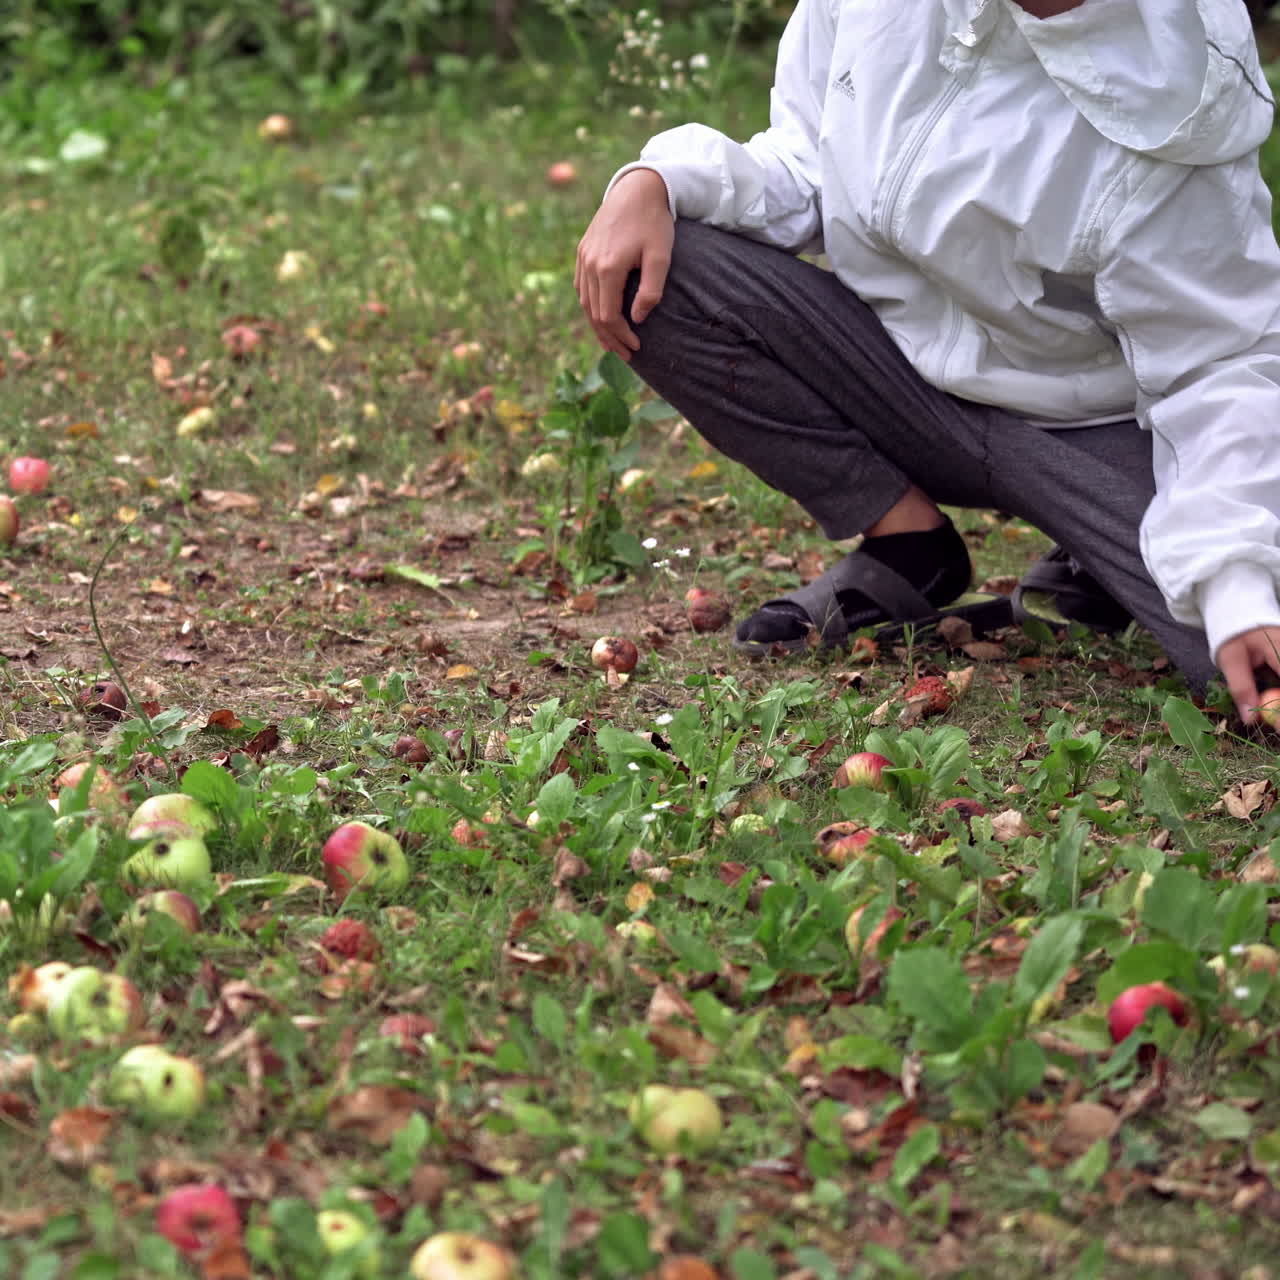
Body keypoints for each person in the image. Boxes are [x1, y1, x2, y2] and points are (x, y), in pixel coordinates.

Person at [574, 0, 1280, 725]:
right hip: (905, 386)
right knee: (660, 272)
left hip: (1091, 432)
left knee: (1240, 662)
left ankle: (1098, 552)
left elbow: (1218, 361)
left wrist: (1233, 579)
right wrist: (655, 180)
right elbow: (808, 162)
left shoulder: (1179, 74)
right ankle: (908, 545)